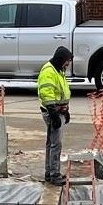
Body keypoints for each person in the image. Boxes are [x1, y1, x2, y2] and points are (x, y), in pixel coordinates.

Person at [38, 45, 73, 185]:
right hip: (53, 112)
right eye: (67, 61)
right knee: (55, 145)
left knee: (51, 143)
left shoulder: (58, 70)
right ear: (61, 59)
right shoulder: (49, 71)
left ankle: (49, 173)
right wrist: (54, 114)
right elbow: (46, 94)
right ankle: (54, 175)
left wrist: (65, 110)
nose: (68, 64)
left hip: (58, 111)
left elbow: (61, 92)